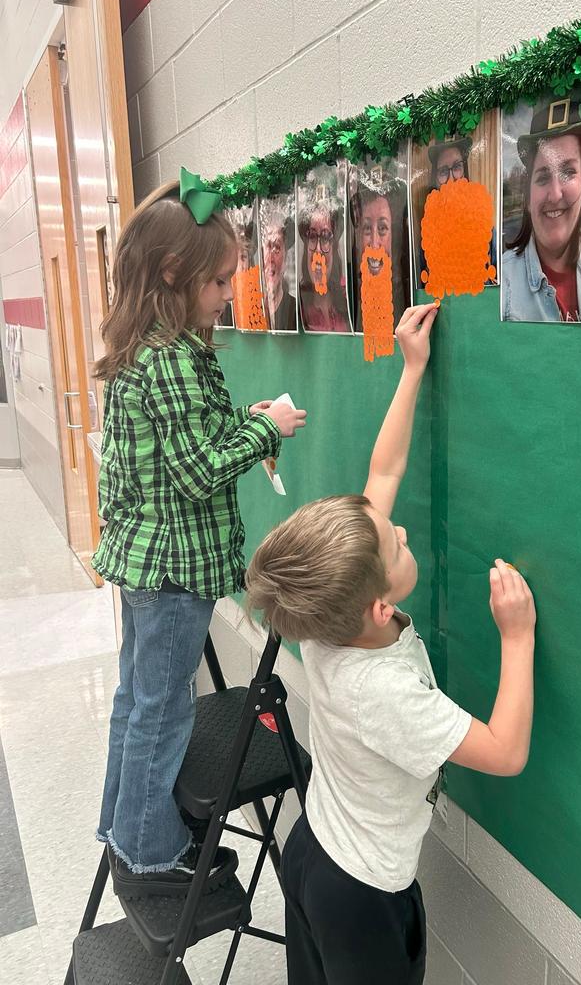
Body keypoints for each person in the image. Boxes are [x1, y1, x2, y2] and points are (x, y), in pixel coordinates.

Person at [246, 303, 536, 985]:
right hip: (361, 894)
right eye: (396, 542)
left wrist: (412, 370)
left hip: (312, 845)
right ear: (381, 604)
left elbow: (383, 474)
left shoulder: (325, 615)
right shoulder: (384, 692)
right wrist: (516, 638)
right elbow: (505, 751)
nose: (399, 529)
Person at [91, 174, 307, 898]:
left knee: (134, 697)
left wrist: (235, 423)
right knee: (163, 707)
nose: (226, 296)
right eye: (218, 282)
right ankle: (151, 852)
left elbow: (171, 449)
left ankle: (121, 823)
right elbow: (194, 473)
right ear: (176, 277)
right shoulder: (174, 358)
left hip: (142, 565)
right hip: (174, 574)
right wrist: (263, 429)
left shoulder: (142, 349)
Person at [502, 90, 581, 323]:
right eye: (542, 177)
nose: (555, 193)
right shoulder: (503, 282)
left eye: (568, 172)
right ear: (528, 199)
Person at [420, 136, 498, 279]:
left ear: (465, 171)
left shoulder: (484, 226)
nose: (451, 179)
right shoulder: (429, 232)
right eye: (443, 171)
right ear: (435, 181)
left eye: (456, 167)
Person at [350, 180, 409, 331]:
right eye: (367, 229)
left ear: (394, 236)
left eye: (382, 228)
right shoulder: (352, 296)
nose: (374, 243)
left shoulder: (408, 294)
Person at [297, 195, 351, 333]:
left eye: (326, 237)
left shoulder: (350, 297)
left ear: (334, 246)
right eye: (313, 237)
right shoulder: (296, 308)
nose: (318, 250)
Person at [260, 198, 297, 332]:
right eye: (267, 247)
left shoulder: (296, 310)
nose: (270, 258)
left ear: (286, 257)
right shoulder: (249, 309)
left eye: (276, 248)